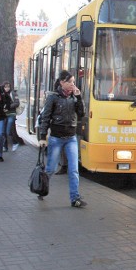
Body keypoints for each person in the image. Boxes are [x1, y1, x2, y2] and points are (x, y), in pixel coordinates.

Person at [37, 70, 86, 207]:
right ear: (62, 82)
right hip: (56, 138)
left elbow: (81, 114)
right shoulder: (53, 97)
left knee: (74, 169)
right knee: (51, 168)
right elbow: (45, 117)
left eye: (73, 82)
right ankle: (42, 189)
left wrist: (80, 98)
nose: (72, 84)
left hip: (71, 138)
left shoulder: (74, 97)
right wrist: (42, 137)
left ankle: (75, 198)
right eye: (69, 82)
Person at [2, 81, 23, 152]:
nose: (7, 88)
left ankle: (15, 142)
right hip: (4, 115)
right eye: (5, 87)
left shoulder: (13, 93)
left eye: (8, 87)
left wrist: (8, 107)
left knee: (8, 130)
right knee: (3, 130)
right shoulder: (1, 94)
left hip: (11, 114)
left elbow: (17, 103)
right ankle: (5, 146)